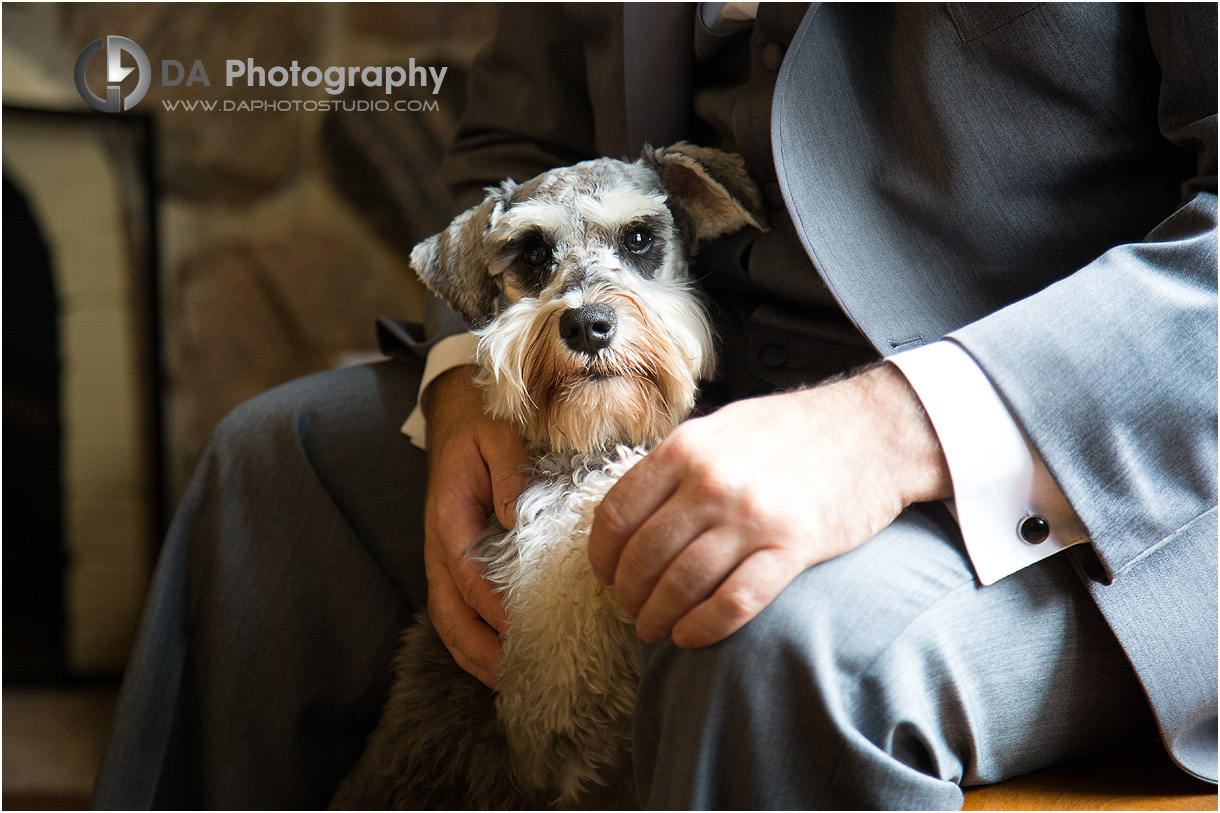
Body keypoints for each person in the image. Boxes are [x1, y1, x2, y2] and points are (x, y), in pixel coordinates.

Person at [94, 4, 1217, 809]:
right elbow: (516, 144)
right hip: (665, 382)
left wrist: (887, 428)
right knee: (276, 463)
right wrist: (466, 383)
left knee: (770, 637)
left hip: (1077, 462)